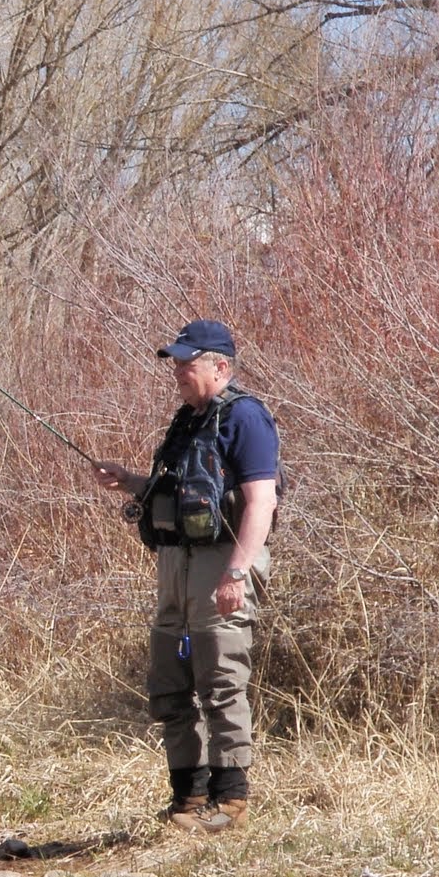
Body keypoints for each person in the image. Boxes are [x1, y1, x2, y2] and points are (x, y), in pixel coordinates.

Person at [92, 320, 279, 835]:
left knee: (221, 682)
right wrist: (130, 482)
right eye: (176, 363)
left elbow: (261, 502)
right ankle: (188, 796)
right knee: (170, 683)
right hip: (175, 567)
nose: (177, 372)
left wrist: (237, 573)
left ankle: (231, 801)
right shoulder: (187, 419)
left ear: (219, 367)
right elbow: (178, 490)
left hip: (222, 565)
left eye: (186, 363)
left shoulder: (246, 419)